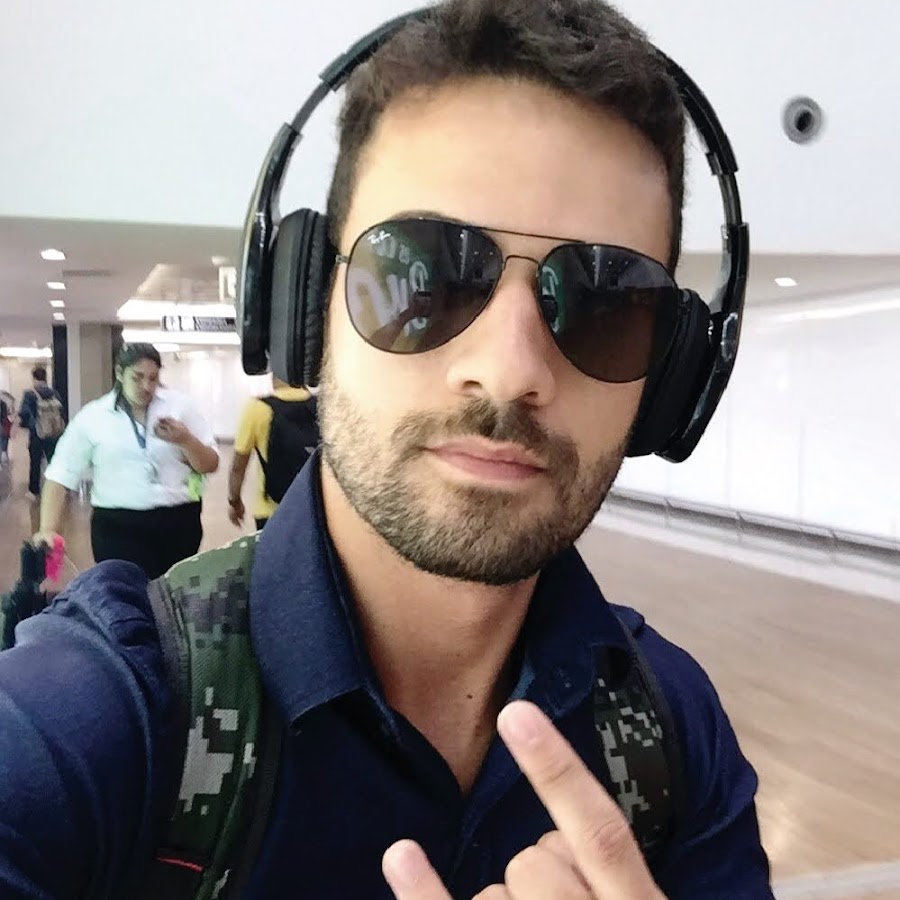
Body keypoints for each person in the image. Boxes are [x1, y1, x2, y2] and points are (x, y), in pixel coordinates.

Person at [0, 3, 773, 898]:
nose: (510, 371)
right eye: (428, 275)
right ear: (304, 311)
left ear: (671, 380)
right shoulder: (94, 718)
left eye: (604, 304)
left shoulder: (673, 734)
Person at [34, 342, 219, 580]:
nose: (146, 386)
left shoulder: (181, 408)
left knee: (174, 593)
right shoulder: (93, 417)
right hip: (118, 527)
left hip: (178, 522)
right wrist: (47, 529)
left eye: (153, 378)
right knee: (125, 592)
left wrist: (186, 440)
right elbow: (60, 474)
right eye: (137, 377)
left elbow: (210, 464)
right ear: (120, 373)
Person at [227, 377, 319, 530]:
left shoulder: (257, 408)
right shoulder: (322, 405)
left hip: (271, 512)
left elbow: (238, 467)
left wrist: (234, 501)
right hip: (315, 511)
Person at [17, 365, 65, 497]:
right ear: (45, 378)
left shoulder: (30, 394)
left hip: (37, 433)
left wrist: (24, 425)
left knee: (35, 462)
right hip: (53, 432)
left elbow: (24, 413)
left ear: (34, 378)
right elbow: (61, 412)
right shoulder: (54, 394)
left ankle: (34, 491)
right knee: (53, 461)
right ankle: (59, 488)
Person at [0, 392, 12, 463]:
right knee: (4, 439)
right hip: (3, 424)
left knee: (3, 439)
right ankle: (4, 454)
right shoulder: (3, 403)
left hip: (2, 424)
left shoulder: (3, 404)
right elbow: (4, 415)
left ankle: (3, 455)